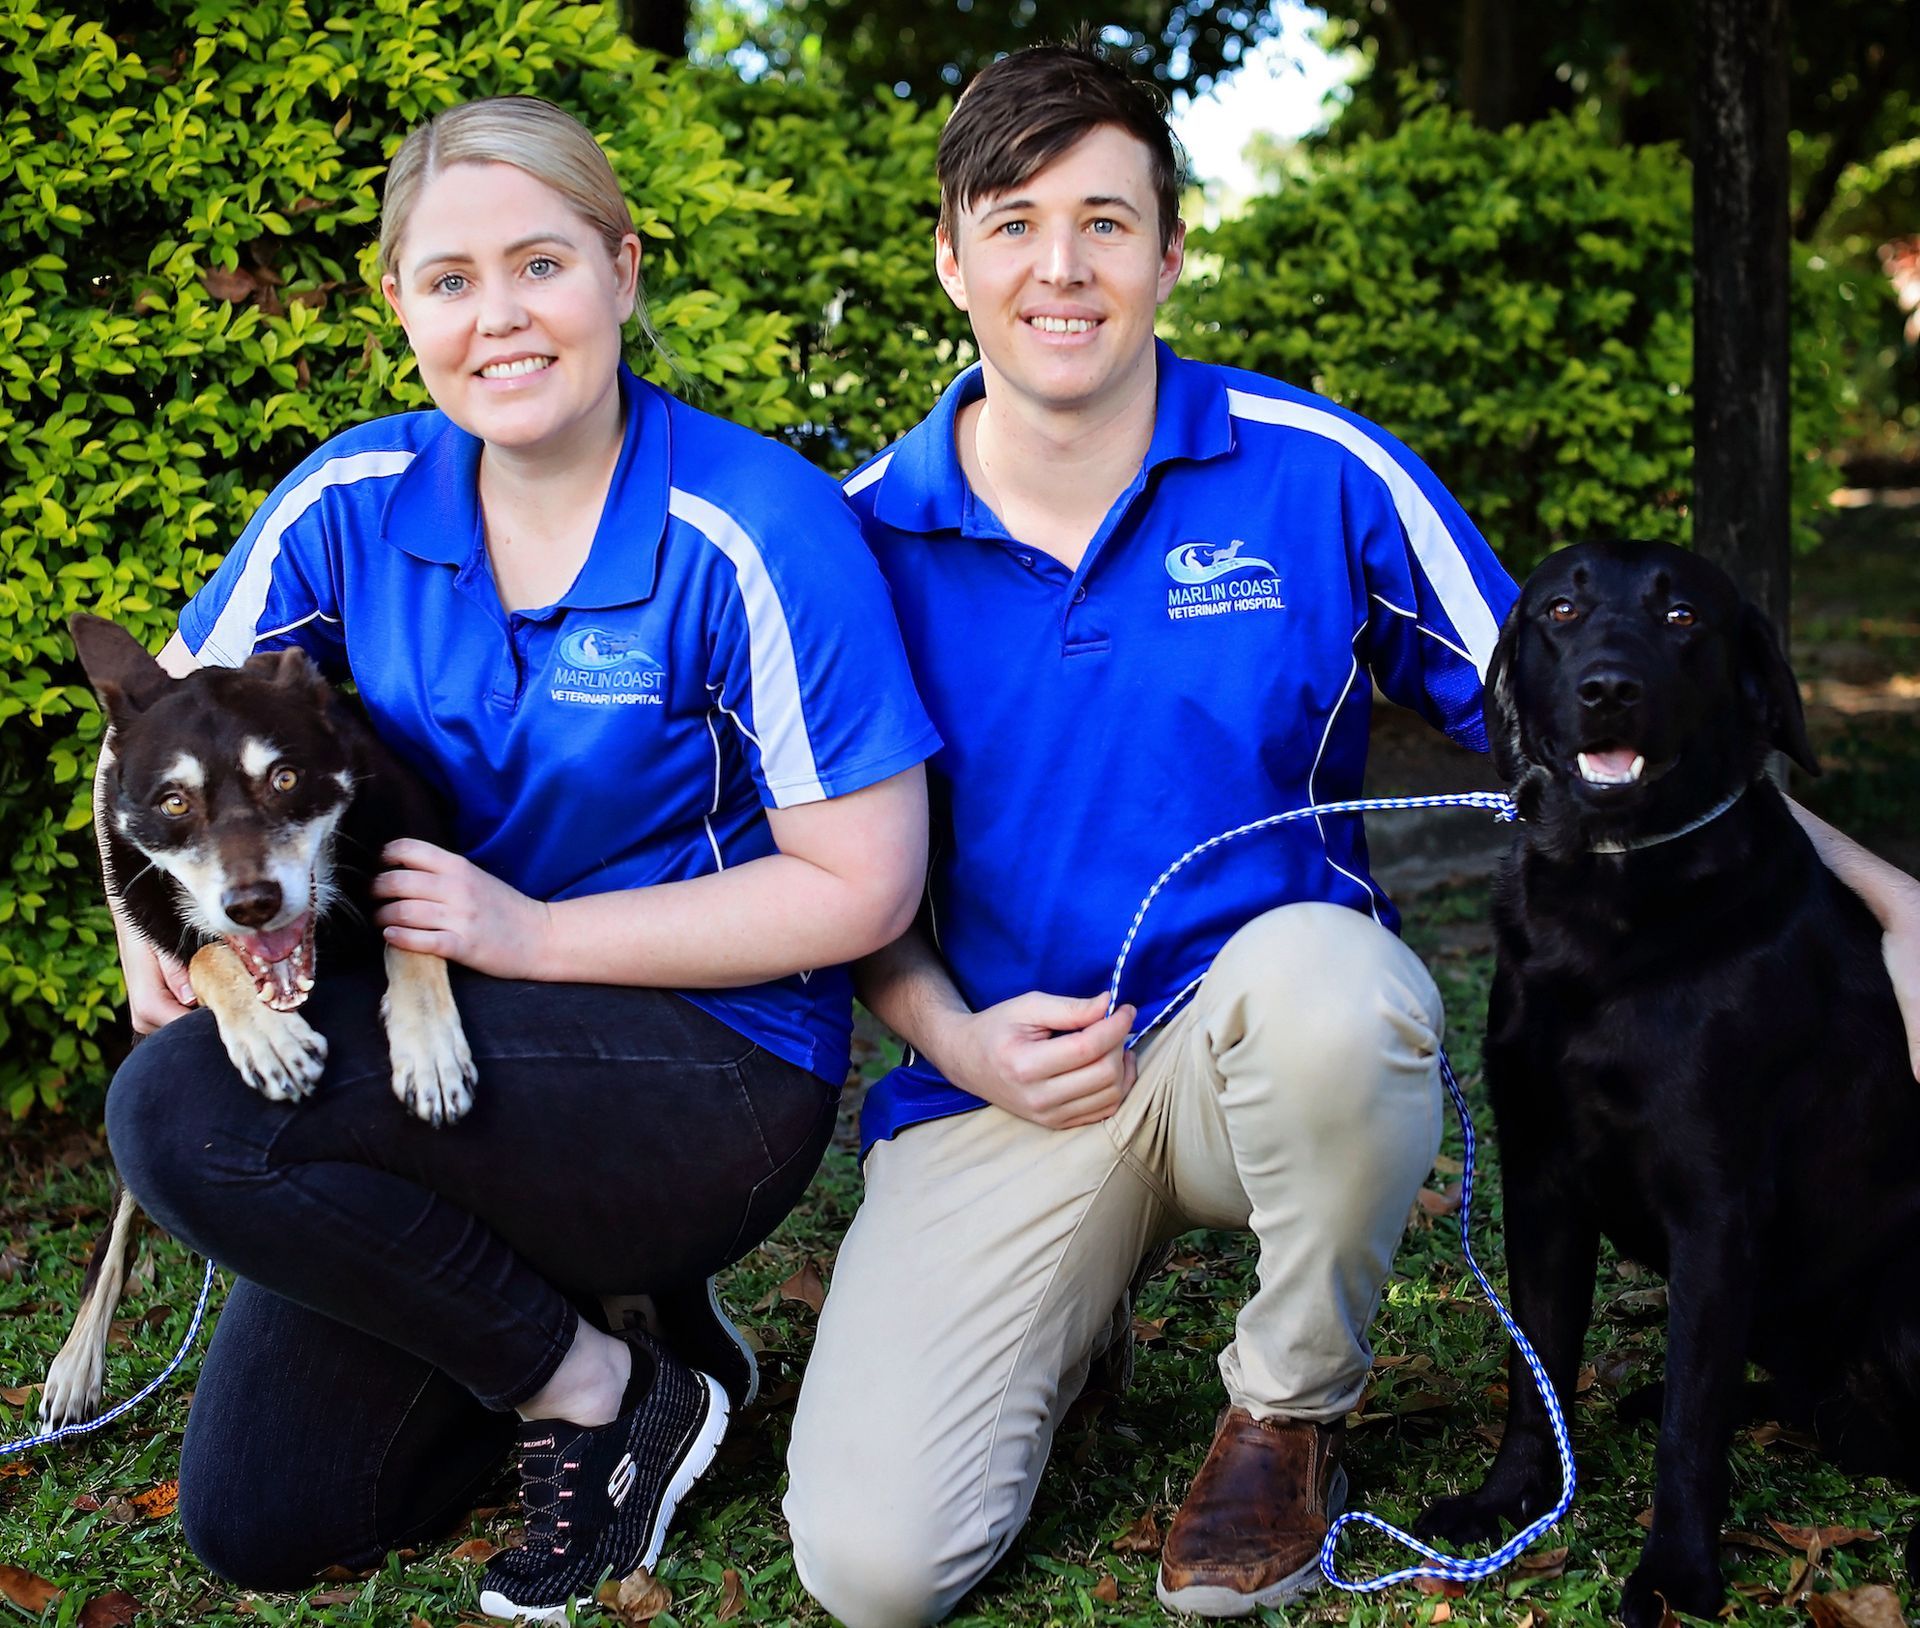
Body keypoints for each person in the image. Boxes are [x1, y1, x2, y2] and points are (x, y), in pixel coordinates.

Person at [781, 43, 1920, 1624]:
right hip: (1008, 1076)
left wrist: (1884, 897)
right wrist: (955, 1042)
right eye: (1016, 220)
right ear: (949, 254)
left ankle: (1287, 1414)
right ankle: (1073, 1318)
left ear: (1171, 252)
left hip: (1270, 1050)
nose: (1063, 266)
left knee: (1340, 981)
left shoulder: (1315, 473)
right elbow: (828, 874)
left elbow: (1593, 737)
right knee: (876, 1571)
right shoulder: (847, 541)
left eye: (1107, 222)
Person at [98, 95, 939, 1623]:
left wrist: (531, 932)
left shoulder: (753, 524)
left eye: (541, 264)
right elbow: (149, 733)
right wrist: (153, 928)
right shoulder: (351, 501)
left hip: (707, 1067)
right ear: (400, 305)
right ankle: (629, 1323)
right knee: (269, 1518)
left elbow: (863, 885)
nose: (500, 318)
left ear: (622, 271)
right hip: (453, 1045)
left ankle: (604, 1384)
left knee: (179, 1112)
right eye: (450, 279)